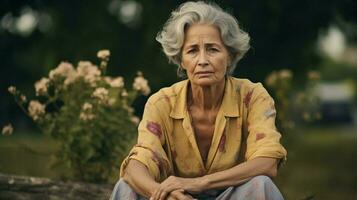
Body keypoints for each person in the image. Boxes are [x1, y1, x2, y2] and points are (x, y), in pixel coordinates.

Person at [110, 1, 287, 200]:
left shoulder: (252, 97)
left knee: (261, 184)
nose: (202, 60)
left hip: (234, 195)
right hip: (179, 198)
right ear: (181, 60)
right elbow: (137, 165)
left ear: (229, 56)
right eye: (192, 50)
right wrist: (160, 193)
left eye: (212, 49)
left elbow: (268, 162)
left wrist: (199, 183)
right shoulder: (161, 103)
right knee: (126, 187)